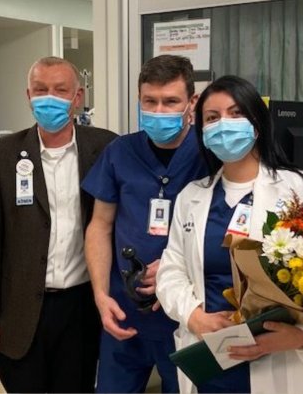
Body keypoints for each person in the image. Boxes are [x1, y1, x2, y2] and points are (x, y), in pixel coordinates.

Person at [156, 75, 303, 394]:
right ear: (202, 132)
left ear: (256, 124)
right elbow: (171, 271)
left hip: (281, 358)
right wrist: (194, 316)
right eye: (212, 118)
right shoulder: (191, 197)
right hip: (212, 356)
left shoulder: (302, 191)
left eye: (236, 113)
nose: (224, 124)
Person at [0, 56, 117, 393]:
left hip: (80, 308)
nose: (49, 97)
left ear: (77, 97)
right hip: (20, 312)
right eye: (40, 90)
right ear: (28, 95)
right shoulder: (1, 155)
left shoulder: (105, 147)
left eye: (60, 90)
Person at [82, 54, 208, 393]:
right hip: (123, 309)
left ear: (191, 102)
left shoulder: (209, 155)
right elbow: (100, 226)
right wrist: (100, 295)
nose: (159, 110)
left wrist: (169, 268)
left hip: (183, 311)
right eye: (150, 101)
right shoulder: (119, 152)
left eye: (171, 102)